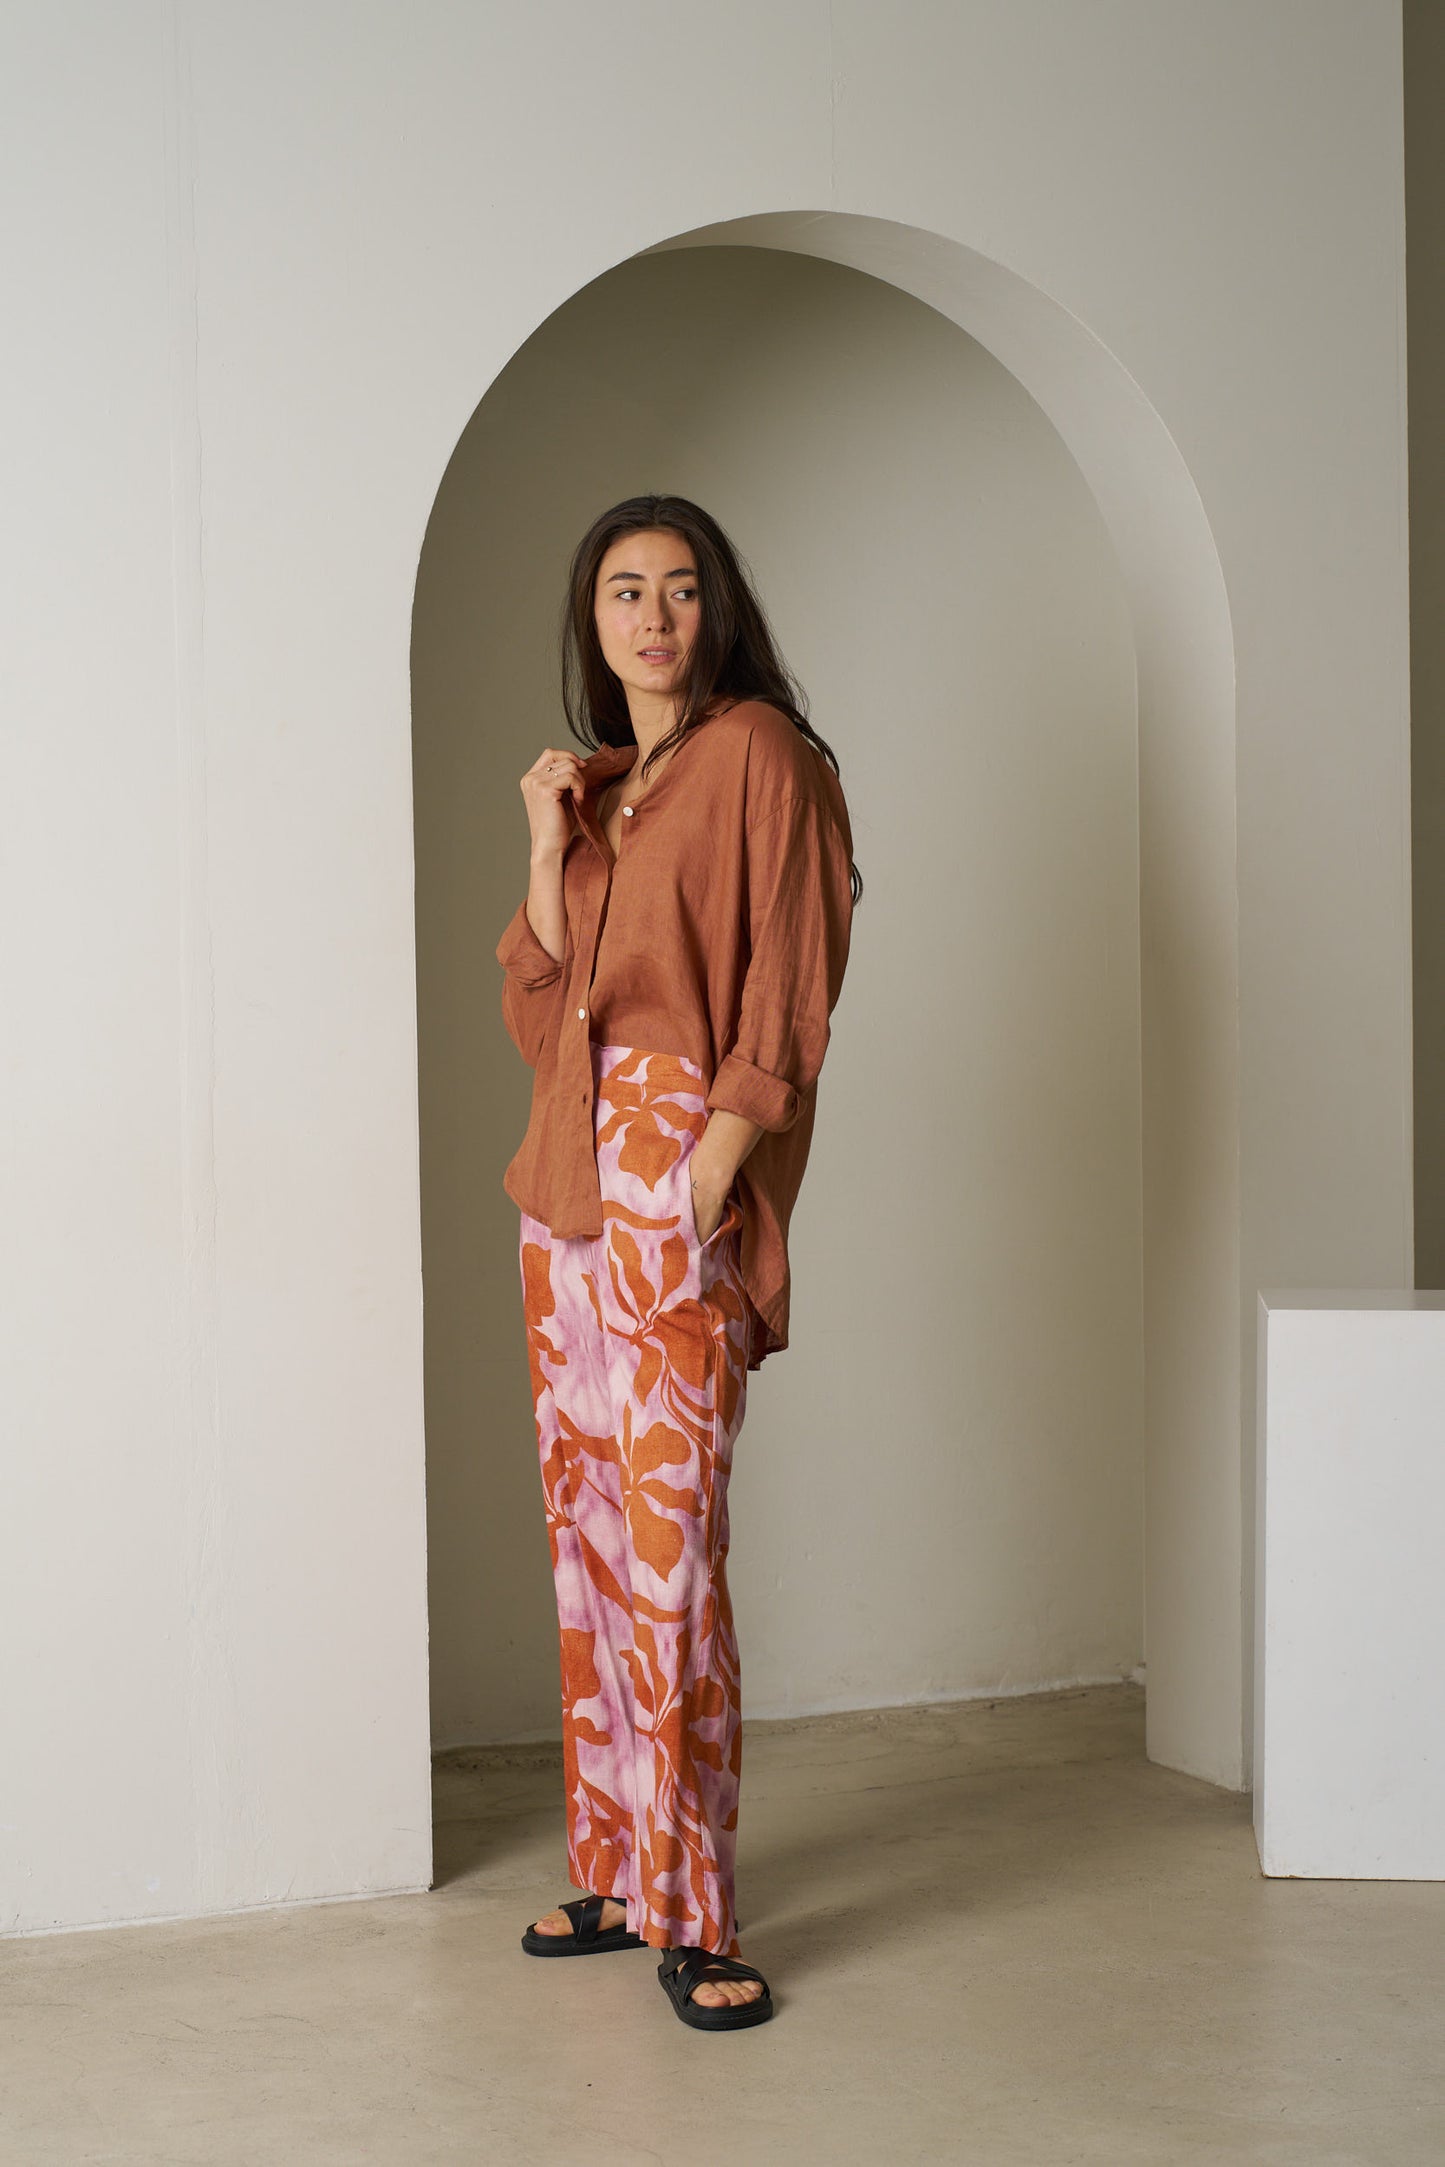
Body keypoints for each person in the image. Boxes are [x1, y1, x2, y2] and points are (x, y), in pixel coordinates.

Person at [496, 493, 859, 2031]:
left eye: (680, 588)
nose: (651, 615)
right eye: (623, 592)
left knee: (671, 1548)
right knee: (588, 1539)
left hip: (668, 1161)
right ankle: (616, 1868)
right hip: (561, 1184)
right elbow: (537, 1003)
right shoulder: (604, 789)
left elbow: (795, 954)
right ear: (592, 621)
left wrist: (718, 1159)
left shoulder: (760, 755)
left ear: (716, 609)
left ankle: (697, 1914)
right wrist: (542, 839)